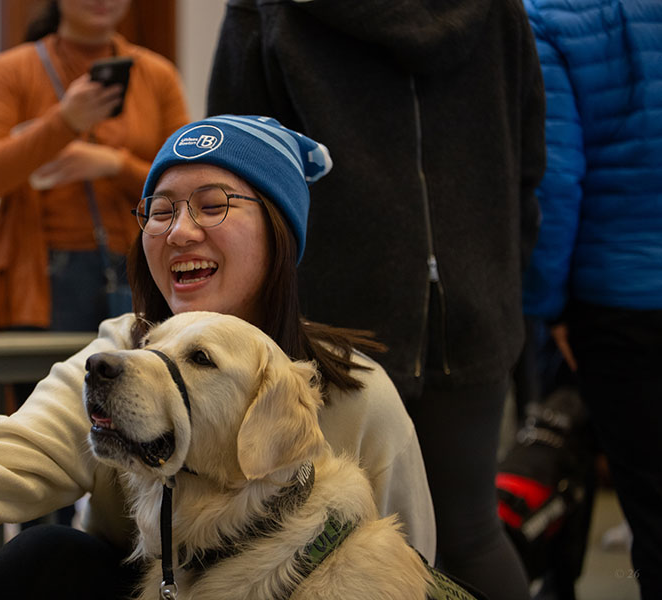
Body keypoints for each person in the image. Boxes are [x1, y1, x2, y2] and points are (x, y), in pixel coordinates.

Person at [0, 116, 436, 600]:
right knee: (41, 562)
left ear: (279, 235)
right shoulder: (119, 353)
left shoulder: (357, 393)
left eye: (213, 204)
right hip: (146, 584)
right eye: (161, 210)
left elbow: (407, 562)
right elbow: (15, 455)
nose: (179, 231)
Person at [206, 2, 546, 599]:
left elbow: (236, 165)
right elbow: (530, 157)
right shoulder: (497, 11)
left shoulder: (267, 11)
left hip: (329, 316)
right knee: (472, 534)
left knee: (307, 544)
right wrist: (499, 274)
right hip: (474, 302)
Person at [520, 1, 662, 597]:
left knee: (653, 515)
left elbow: (554, 181)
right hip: (623, 296)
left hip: (620, 305)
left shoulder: (549, 15)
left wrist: (546, 306)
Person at [0, 0, 189, 335]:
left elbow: (186, 182)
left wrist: (115, 165)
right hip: (40, 277)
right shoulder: (13, 70)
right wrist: (64, 121)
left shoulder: (157, 75)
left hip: (138, 267)